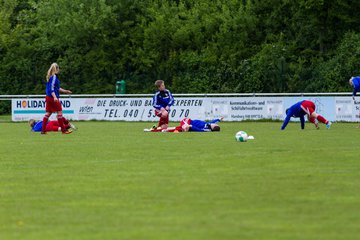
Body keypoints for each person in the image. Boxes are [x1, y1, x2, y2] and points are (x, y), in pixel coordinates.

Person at [41, 63, 72, 134]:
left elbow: (57, 88)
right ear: (56, 69)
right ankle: (64, 130)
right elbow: (52, 89)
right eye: (58, 69)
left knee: (48, 113)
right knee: (59, 112)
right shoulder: (54, 77)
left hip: (48, 97)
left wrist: (65, 91)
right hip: (52, 97)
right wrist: (55, 97)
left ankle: (43, 131)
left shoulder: (50, 77)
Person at [146, 117, 223, 132]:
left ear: (213, 128)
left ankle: (154, 130)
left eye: (214, 125)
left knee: (177, 129)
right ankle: (156, 129)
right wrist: (219, 119)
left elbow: (199, 130)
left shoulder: (207, 129)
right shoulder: (210, 124)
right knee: (184, 129)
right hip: (187, 120)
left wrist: (191, 126)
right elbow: (214, 120)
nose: (213, 124)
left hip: (188, 126)